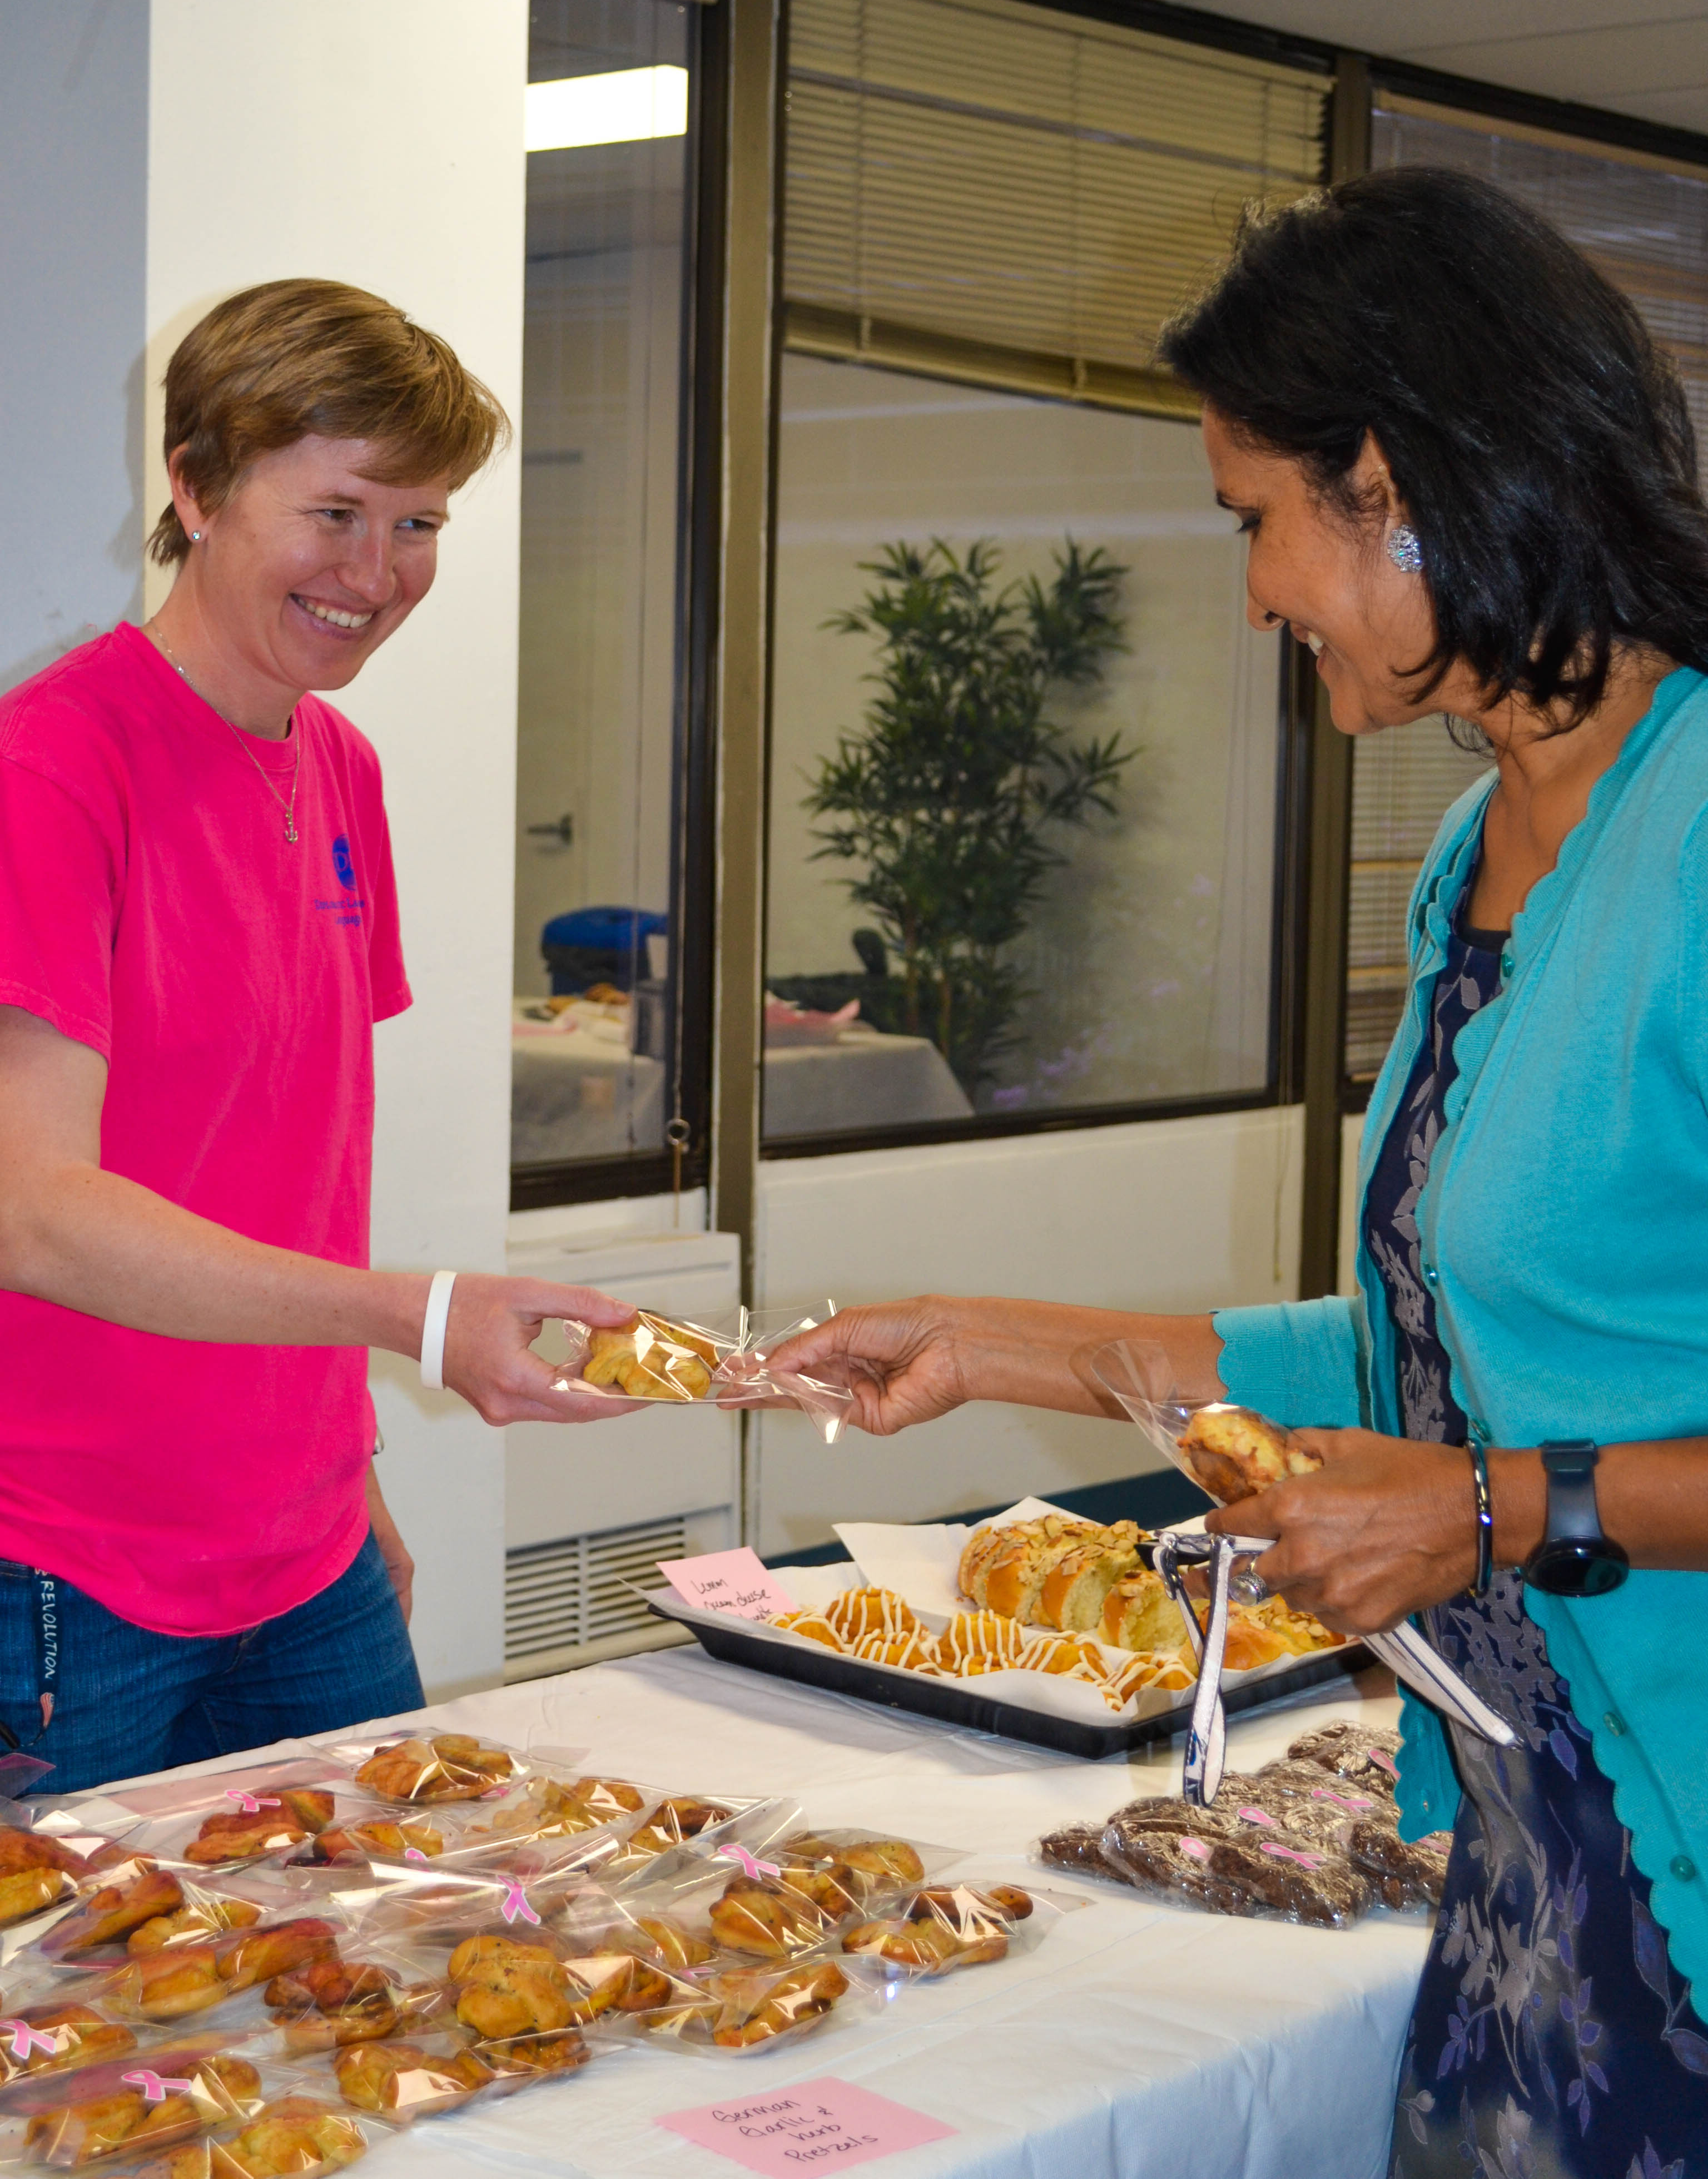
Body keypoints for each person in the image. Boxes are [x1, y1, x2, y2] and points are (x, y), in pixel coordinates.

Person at [767, 171, 1708, 2176]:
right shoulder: (1491, 847)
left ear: (1395, 483)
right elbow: (1410, 1346)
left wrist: (1483, 1509)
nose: (1256, 588)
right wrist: (996, 1345)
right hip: (1531, 1846)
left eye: (1252, 519)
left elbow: (1470, 1459)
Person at [0, 279, 640, 1794]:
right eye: (339, 511)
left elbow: (286, 1171)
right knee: (75, 2028)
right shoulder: (51, 770)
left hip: (306, 1560)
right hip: (68, 1575)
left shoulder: (337, 765)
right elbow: (29, 1207)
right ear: (198, 485)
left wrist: (351, 1474)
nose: (380, 571)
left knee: (376, 1980)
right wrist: (415, 1318)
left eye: (420, 524)